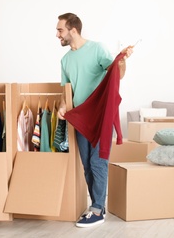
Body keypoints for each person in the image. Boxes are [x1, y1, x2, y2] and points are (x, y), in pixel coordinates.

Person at [56, 13, 133, 227]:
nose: (57, 34)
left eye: (60, 30)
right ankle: (97, 205)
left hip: (100, 115)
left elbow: (117, 74)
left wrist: (122, 61)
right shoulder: (65, 60)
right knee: (87, 166)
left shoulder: (97, 49)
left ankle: (97, 209)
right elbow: (67, 92)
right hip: (81, 118)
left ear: (73, 30)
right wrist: (63, 107)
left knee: (97, 163)